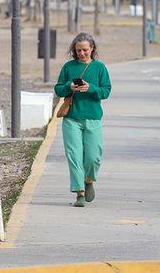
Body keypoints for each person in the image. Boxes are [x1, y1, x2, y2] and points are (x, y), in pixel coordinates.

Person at [53, 32, 112, 208]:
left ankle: (88, 180)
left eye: (85, 50)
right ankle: (79, 194)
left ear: (92, 49)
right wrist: (68, 86)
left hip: (93, 118)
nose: (82, 54)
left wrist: (91, 88)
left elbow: (106, 91)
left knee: (94, 158)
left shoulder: (100, 68)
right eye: (78, 50)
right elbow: (58, 89)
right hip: (71, 119)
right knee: (74, 157)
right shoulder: (68, 67)